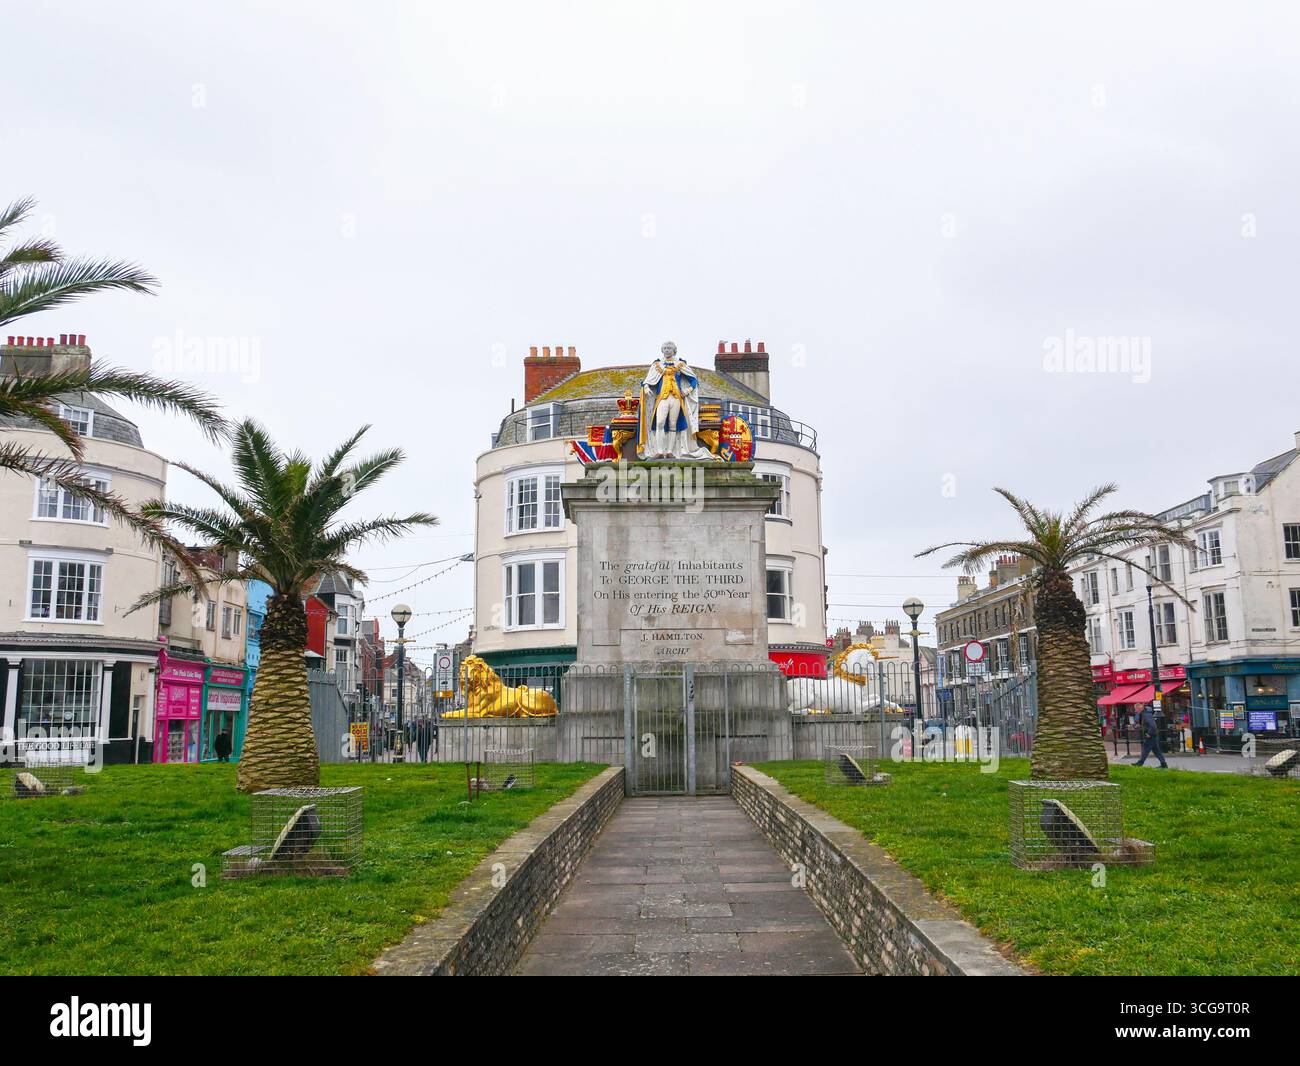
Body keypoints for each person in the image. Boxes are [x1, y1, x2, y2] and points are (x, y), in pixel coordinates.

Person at [1133, 702, 1168, 768]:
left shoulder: (1146, 714)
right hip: (1153, 735)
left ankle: (1140, 763)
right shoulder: (1145, 713)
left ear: (1139, 708)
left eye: (1136, 709)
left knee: (1145, 749)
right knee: (1156, 751)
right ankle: (1163, 764)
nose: (1135, 711)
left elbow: (1153, 726)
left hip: (1150, 736)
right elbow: (1148, 725)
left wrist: (1149, 733)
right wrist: (1140, 726)